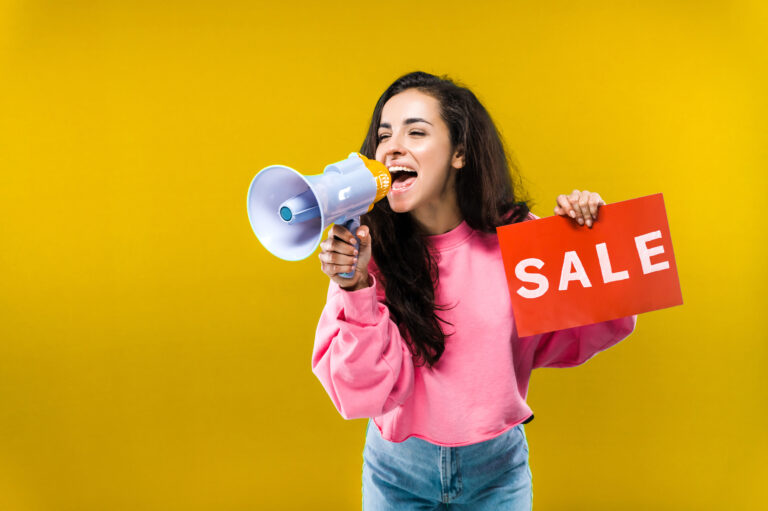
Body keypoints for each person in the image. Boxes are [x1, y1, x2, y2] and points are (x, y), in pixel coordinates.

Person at [311, 71, 636, 510]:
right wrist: (356, 288)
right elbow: (358, 393)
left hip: (496, 475)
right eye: (384, 134)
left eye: (417, 131)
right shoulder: (369, 253)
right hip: (396, 475)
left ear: (459, 153)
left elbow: (595, 329)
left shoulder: (519, 240)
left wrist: (589, 245)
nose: (392, 146)